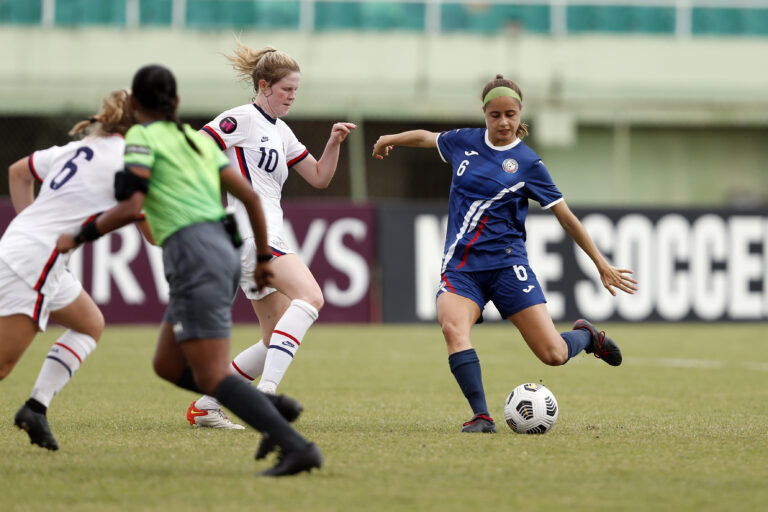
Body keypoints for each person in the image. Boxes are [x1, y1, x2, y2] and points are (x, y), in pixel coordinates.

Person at [56, 64, 322, 476]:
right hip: (221, 249)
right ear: (177, 102)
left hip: (198, 255)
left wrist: (79, 234)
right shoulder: (190, 140)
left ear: (136, 105)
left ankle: (282, 426)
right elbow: (249, 198)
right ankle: (254, 407)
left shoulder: (146, 140)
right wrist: (261, 258)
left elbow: (132, 205)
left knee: (204, 368)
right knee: (168, 364)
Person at [371, 74, 638, 433]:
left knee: (554, 354)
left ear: (520, 113)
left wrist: (601, 264)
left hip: (508, 267)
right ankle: (482, 416)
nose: (503, 122)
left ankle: (588, 337)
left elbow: (566, 218)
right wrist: (389, 139)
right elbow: (426, 137)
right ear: (485, 113)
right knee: (453, 328)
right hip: (462, 268)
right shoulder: (463, 141)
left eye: (510, 114)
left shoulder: (529, 164)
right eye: (495, 115)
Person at [186, 39, 356, 429]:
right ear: (263, 86)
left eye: (296, 89)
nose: (292, 96)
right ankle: (266, 393)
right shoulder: (242, 118)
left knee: (272, 339)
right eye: (286, 89)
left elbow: (319, 177)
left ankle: (207, 406)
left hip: (254, 239)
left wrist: (333, 143)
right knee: (311, 297)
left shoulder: (281, 131)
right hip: (253, 235)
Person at [0, 89, 144, 450]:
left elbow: (18, 172)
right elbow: (154, 234)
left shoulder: (78, 148)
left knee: (89, 323)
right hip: (35, 262)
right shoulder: (130, 160)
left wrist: (33, 227)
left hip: (24, 248)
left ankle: (35, 408)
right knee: (2, 366)